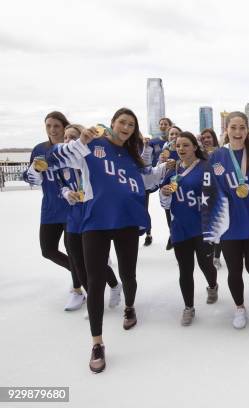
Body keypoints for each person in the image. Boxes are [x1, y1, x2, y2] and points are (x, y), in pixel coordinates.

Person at [45, 107, 164, 373]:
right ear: (112, 123)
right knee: (95, 280)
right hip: (95, 222)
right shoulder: (91, 145)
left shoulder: (132, 156)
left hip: (126, 223)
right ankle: (97, 342)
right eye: (122, 122)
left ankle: (130, 307)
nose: (126, 127)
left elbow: (149, 180)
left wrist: (167, 168)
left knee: (128, 273)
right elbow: (54, 158)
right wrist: (81, 141)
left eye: (131, 125)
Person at [202, 112, 249, 329]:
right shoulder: (217, 156)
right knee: (234, 270)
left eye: (242, 128)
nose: (238, 133)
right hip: (229, 224)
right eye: (234, 128)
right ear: (226, 130)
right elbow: (210, 189)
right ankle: (239, 307)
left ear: (247, 130)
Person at [58, 125, 122, 316]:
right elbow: (59, 186)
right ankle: (92, 298)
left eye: (73, 137)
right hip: (73, 216)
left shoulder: (91, 159)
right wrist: (67, 192)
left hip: (92, 214)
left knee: (95, 261)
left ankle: (114, 284)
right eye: (66, 137)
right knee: (77, 261)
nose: (69, 141)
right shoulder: (64, 163)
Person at [23, 111, 85, 311]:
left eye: (56, 126)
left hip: (72, 207)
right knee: (47, 250)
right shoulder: (39, 149)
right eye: (48, 126)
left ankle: (77, 290)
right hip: (50, 206)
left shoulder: (72, 150)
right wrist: (34, 169)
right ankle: (82, 272)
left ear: (64, 127)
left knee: (72, 249)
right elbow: (30, 179)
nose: (52, 130)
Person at [159, 132, 218, 326]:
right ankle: (189, 307)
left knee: (205, 265)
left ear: (195, 147)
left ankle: (212, 285)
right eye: (178, 146)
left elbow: (216, 196)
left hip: (202, 227)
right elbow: (165, 204)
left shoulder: (206, 168)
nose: (181, 149)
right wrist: (165, 193)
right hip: (180, 227)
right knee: (185, 270)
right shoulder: (172, 170)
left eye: (185, 145)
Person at [144, 117, 173, 247]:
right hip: (154, 174)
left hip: (168, 176)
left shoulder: (176, 142)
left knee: (168, 207)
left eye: (165, 124)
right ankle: (148, 234)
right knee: (144, 206)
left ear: (170, 126)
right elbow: (146, 158)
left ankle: (173, 234)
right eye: (160, 124)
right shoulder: (153, 142)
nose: (162, 126)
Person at [198, 128, 223, 269]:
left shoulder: (221, 153)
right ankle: (208, 252)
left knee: (218, 224)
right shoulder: (199, 155)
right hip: (204, 193)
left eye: (209, 137)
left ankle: (217, 256)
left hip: (219, 192)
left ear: (213, 138)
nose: (206, 140)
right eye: (203, 138)